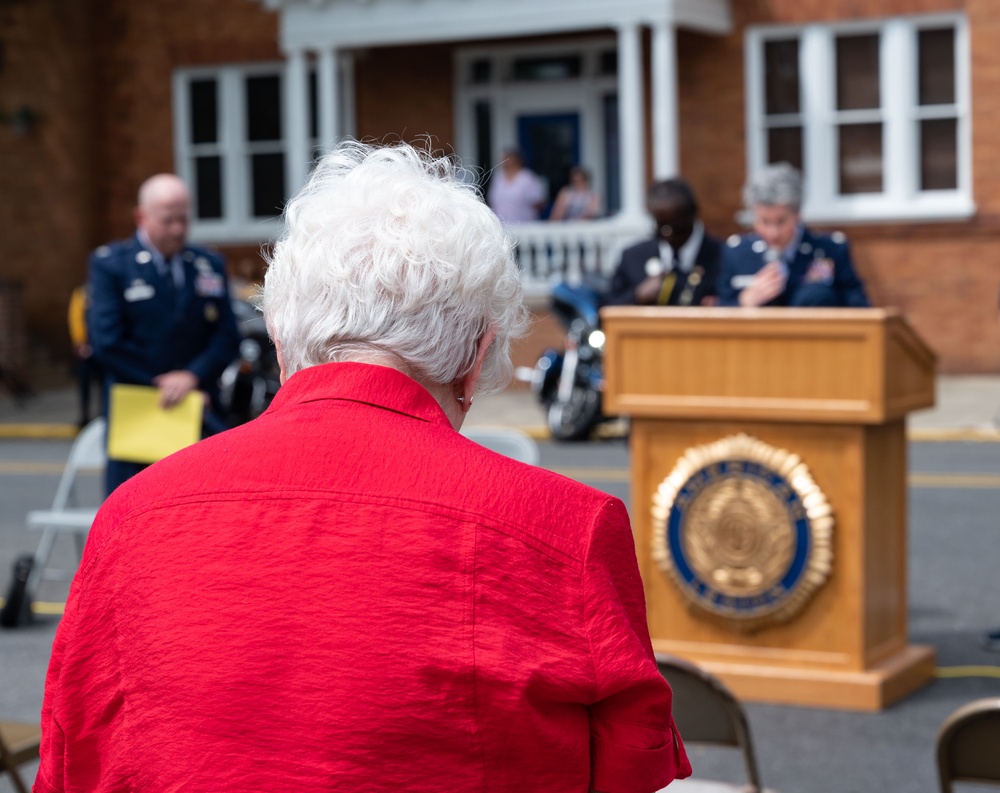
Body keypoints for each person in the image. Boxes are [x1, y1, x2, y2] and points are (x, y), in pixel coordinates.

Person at [37, 141, 691, 793]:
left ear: (282, 341)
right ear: (477, 354)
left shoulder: (129, 518)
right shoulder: (569, 528)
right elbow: (628, 769)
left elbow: (71, 763)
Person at [87, 174, 240, 495]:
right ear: (141, 217)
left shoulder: (207, 264)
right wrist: (165, 380)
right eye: (168, 220)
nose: (177, 229)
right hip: (140, 415)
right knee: (132, 512)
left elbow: (226, 334)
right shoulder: (112, 266)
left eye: (183, 219)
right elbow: (107, 341)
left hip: (199, 410)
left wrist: (191, 376)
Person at [717, 162, 870, 307]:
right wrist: (744, 302)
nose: (773, 232)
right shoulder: (736, 253)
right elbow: (717, 312)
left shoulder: (831, 251)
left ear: (798, 214)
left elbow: (859, 308)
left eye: (781, 221)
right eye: (765, 221)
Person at [603, 178, 722, 307]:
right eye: (661, 228)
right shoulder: (633, 257)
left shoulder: (722, 256)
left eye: (677, 227)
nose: (669, 235)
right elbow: (605, 310)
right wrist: (637, 296)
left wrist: (722, 306)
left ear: (692, 214)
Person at [66, 284, 103, 428]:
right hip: (86, 348)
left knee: (105, 384)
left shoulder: (108, 290)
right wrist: (80, 342)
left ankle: (104, 414)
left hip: (104, 348)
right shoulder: (83, 292)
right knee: (84, 384)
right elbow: (75, 318)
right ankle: (85, 415)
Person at [486, 147, 546, 223]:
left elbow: (539, 202)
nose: (504, 162)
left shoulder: (527, 177)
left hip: (525, 226)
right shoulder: (498, 177)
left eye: (507, 159)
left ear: (517, 160)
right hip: (502, 225)